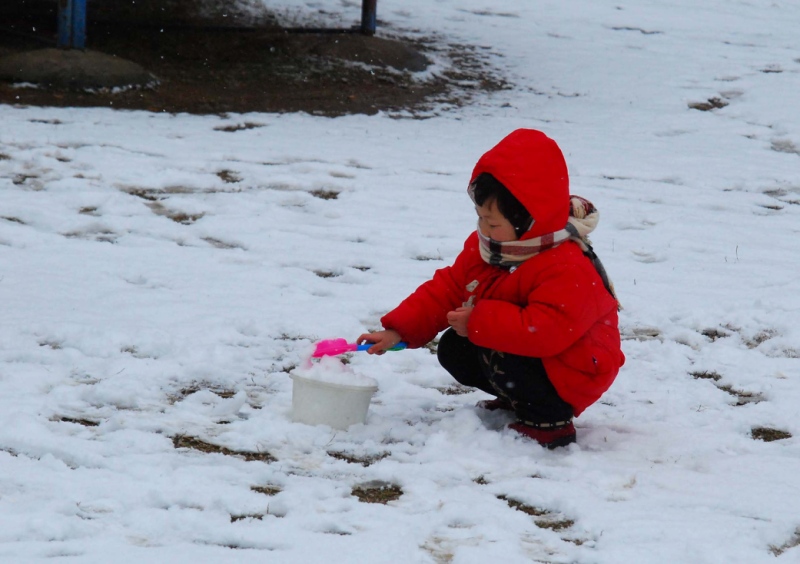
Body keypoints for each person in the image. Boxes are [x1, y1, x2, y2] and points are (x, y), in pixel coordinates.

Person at [357, 129, 624, 449]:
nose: (484, 228)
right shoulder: (489, 248)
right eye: (480, 217)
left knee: (492, 344)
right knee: (456, 347)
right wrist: (398, 331)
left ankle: (550, 421)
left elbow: (547, 331)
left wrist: (479, 322)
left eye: (493, 222)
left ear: (529, 220)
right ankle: (520, 398)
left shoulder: (566, 265)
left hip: (575, 370)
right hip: (534, 357)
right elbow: (448, 288)